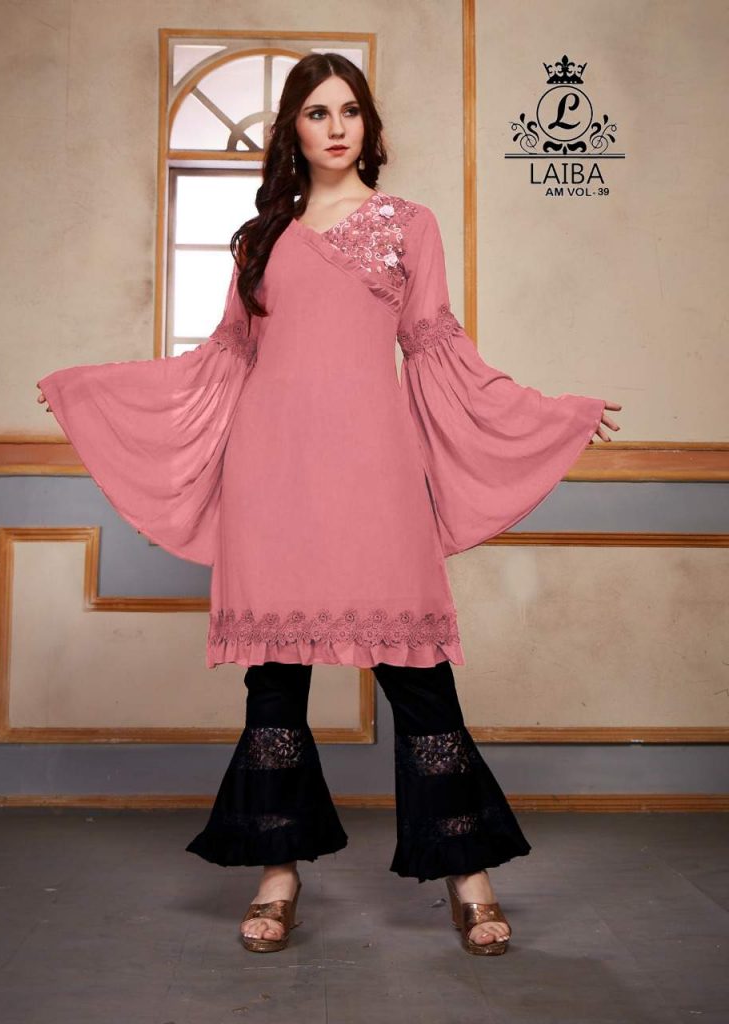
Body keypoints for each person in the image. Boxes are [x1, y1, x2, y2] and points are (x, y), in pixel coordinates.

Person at [36, 53, 621, 957]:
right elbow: (219, 365)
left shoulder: (407, 226)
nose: (337, 127)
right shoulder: (260, 240)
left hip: (375, 476)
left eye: (350, 110)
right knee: (275, 688)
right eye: (317, 113)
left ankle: (469, 875)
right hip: (270, 478)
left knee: (420, 680)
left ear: (368, 125)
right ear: (293, 130)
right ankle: (278, 876)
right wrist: (92, 393)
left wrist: (551, 414)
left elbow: (440, 353)